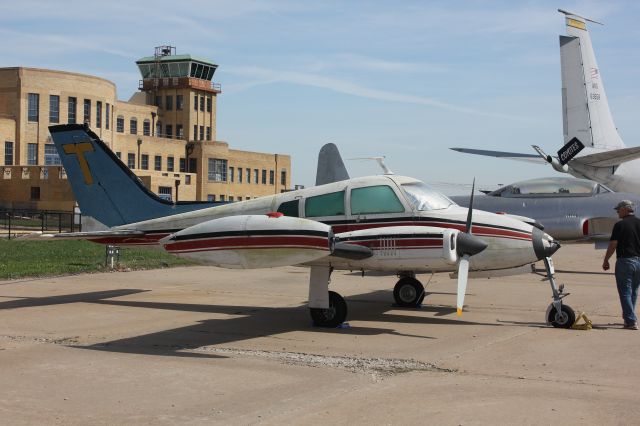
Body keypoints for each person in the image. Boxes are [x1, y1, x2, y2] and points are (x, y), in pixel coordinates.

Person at [603, 200, 640, 330]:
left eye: (618, 209)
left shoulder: (620, 225)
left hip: (625, 261)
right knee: (633, 292)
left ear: (625, 209)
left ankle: (631, 321)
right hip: (639, 262)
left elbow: (613, 244)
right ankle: (628, 318)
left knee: (625, 292)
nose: (617, 211)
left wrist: (606, 259)